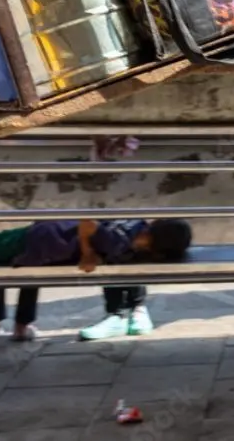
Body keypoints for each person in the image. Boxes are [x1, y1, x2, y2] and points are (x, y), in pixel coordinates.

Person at [0, 219, 193, 271]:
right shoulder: (122, 239)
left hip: (45, 235)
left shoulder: (135, 225)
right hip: (43, 244)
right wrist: (88, 254)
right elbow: (89, 225)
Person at [78, 136, 155, 342]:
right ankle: (117, 312)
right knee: (111, 241)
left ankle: (135, 308)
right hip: (105, 175)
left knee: (132, 240)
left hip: (126, 175)